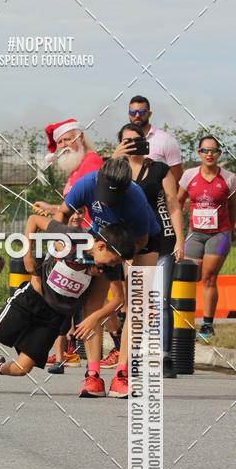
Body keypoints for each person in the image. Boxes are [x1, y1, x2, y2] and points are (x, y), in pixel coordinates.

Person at [0, 218, 134, 391]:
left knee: (22, 368)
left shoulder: (106, 266)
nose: (113, 265)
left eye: (116, 263)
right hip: (30, 300)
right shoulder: (72, 236)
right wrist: (27, 255)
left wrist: (94, 318)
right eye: (113, 261)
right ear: (101, 246)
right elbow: (34, 220)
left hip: (54, 317)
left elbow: (119, 298)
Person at [55, 156, 160, 397]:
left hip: (139, 245)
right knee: (93, 302)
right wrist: (61, 244)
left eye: (112, 198)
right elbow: (61, 214)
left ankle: (122, 374)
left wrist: (119, 265)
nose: (105, 201)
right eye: (103, 195)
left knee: (136, 305)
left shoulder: (135, 199)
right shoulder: (85, 184)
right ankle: (93, 376)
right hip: (102, 240)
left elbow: (141, 241)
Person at [111, 123, 185, 380]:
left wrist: (180, 240)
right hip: (130, 245)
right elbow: (104, 195)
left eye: (137, 139)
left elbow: (173, 205)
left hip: (161, 241)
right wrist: (115, 158)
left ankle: (163, 356)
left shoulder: (159, 169)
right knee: (135, 302)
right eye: (127, 141)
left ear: (145, 141)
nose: (132, 144)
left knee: (160, 299)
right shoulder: (116, 169)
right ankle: (132, 356)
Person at [33, 118, 104, 370]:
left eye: (67, 139)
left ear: (80, 138)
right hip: (75, 240)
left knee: (87, 302)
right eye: (60, 142)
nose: (63, 145)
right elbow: (73, 207)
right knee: (72, 298)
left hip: (90, 241)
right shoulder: (77, 168)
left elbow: (92, 203)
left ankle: (92, 362)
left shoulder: (91, 162)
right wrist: (52, 209)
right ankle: (64, 353)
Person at [178, 135, 236, 339]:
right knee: (190, 276)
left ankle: (207, 326)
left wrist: (232, 230)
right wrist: (178, 229)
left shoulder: (229, 178)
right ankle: (183, 320)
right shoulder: (189, 175)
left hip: (220, 235)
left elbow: (232, 207)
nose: (209, 154)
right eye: (205, 150)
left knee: (209, 278)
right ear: (199, 153)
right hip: (195, 234)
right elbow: (177, 202)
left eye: (213, 151)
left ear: (219, 153)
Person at [127, 95, 183, 183]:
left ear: (149, 114)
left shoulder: (166, 140)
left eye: (142, 112)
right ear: (129, 114)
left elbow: (177, 176)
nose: (137, 115)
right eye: (133, 112)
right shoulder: (124, 140)